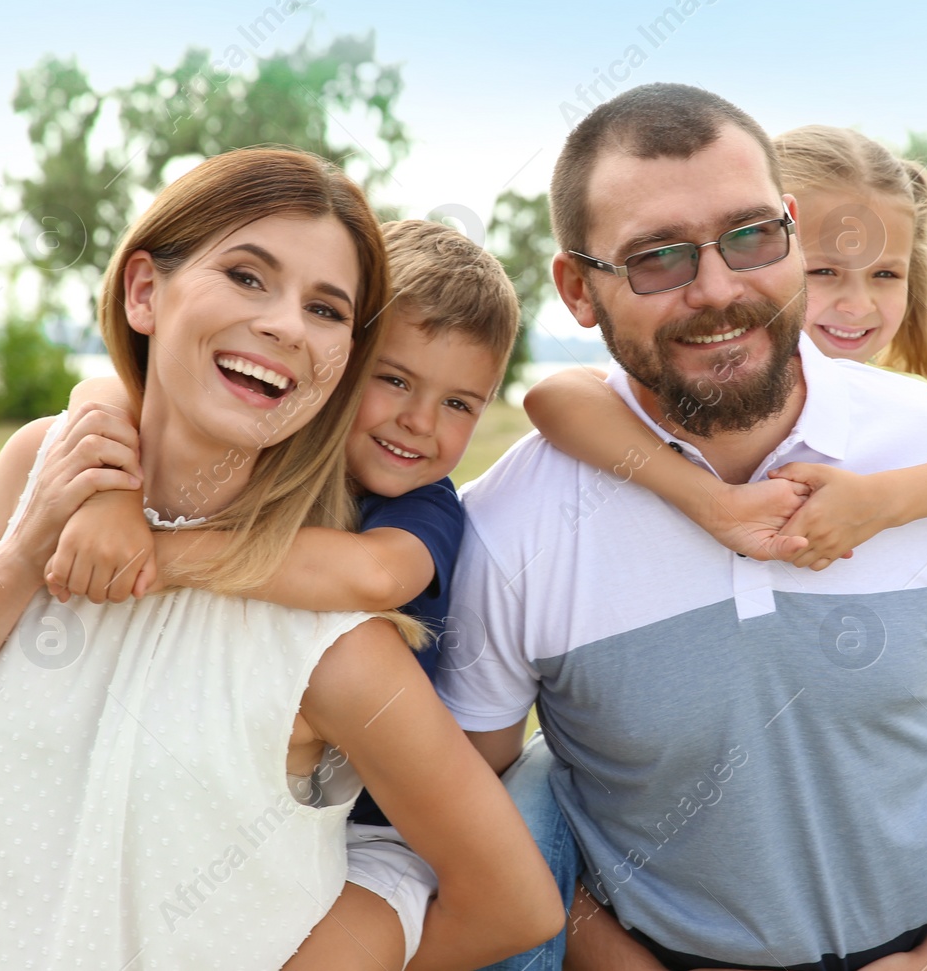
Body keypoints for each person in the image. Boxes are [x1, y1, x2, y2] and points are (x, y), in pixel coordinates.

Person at [436, 83, 927, 970]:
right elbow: (478, 814)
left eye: (751, 236)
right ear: (576, 290)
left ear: (789, 225)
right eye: (657, 258)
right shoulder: (513, 528)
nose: (718, 289)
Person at [0, 150, 561, 970]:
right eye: (249, 277)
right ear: (144, 289)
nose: (288, 325)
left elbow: (512, 899)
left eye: (328, 310)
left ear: (340, 360)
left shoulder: (333, 632)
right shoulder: (40, 468)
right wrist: (20, 560)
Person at [46, 218, 572, 967]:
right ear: (340, 360)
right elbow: (106, 388)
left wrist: (159, 553)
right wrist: (109, 497)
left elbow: (374, 575)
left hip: (384, 836)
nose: (420, 422)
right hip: (244, 813)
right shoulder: (269, 456)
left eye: (461, 403)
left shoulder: (424, 505)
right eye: (394, 379)